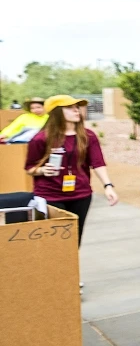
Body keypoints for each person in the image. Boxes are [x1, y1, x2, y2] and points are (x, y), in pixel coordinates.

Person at [24, 95, 119, 241]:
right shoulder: (41, 138)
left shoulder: (88, 136)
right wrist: (42, 170)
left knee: (75, 238)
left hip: (81, 195)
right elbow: (30, 168)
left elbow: (98, 163)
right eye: (70, 108)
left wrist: (108, 186)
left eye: (77, 108)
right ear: (56, 112)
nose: (76, 111)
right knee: (54, 241)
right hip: (50, 196)